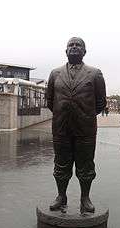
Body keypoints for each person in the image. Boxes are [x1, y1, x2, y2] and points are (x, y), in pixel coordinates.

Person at [46, 37, 106, 213]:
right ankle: (61, 196)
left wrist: (84, 115)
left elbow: (101, 102)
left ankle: (85, 197)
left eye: (77, 45)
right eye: (70, 45)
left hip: (85, 128)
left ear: (84, 51)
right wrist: (64, 113)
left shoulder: (95, 74)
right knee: (61, 164)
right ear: (66, 51)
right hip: (61, 128)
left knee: (86, 165)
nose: (74, 47)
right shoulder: (55, 73)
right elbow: (50, 101)